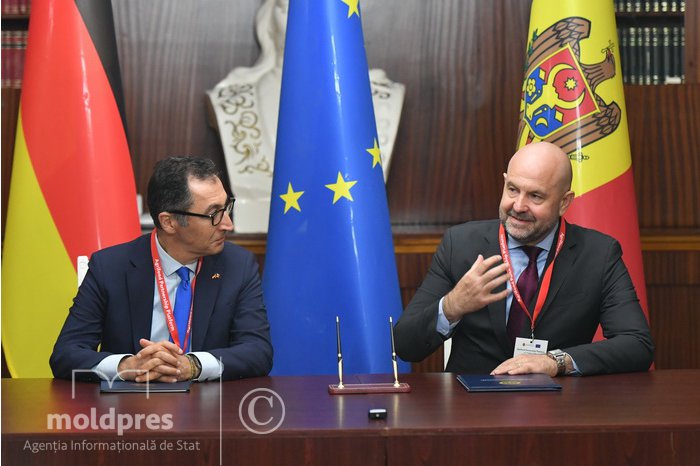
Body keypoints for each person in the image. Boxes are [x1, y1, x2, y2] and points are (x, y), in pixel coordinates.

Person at [394, 142, 653, 377]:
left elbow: (637, 344)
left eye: (535, 196)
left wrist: (556, 362)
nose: (518, 206)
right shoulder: (460, 245)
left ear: (564, 202)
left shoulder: (598, 254)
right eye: (512, 189)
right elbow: (404, 345)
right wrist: (452, 305)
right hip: (473, 402)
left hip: (558, 403)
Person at [50, 157, 273, 382]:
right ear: (169, 222)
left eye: (226, 207)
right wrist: (127, 365)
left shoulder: (238, 265)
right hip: (132, 399)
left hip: (209, 400)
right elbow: (66, 354)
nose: (228, 224)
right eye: (214, 214)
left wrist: (193, 365)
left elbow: (258, 351)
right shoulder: (110, 267)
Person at [206, 0, 405, 232]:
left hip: (348, 230)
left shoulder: (381, 98)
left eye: (320, 9)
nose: (305, 21)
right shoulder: (232, 101)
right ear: (269, 20)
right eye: (291, 7)